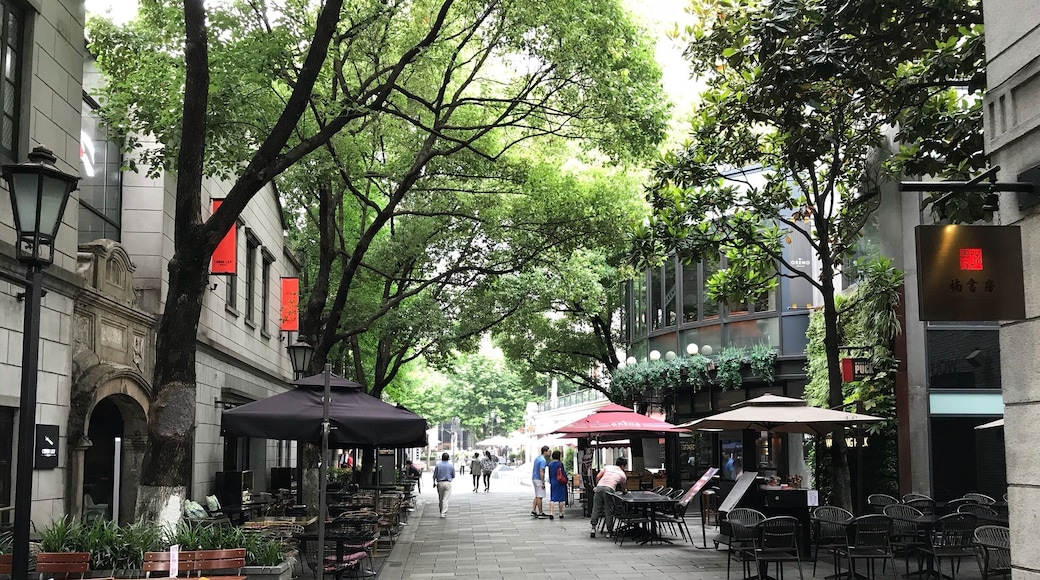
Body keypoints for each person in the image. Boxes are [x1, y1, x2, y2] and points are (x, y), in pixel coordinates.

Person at [590, 456, 628, 538]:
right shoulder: (622, 474)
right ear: (622, 466)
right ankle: (609, 530)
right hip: (609, 489)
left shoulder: (607, 467)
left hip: (599, 487)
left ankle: (593, 528)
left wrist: (597, 485)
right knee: (608, 509)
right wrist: (624, 492)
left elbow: (597, 476)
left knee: (596, 507)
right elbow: (623, 488)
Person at [432, 452, 455, 518]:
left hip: (439, 483)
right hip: (447, 482)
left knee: (440, 498)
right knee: (445, 499)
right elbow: (453, 475)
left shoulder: (438, 465)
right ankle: (443, 512)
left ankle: (441, 510)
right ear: (448, 458)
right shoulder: (451, 465)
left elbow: (434, 475)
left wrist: (433, 483)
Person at [531, 445, 551, 517]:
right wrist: (543, 482)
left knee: (536, 495)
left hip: (534, 478)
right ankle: (540, 512)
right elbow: (541, 471)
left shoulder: (537, 458)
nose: (549, 452)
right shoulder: (543, 460)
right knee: (540, 496)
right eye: (548, 451)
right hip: (539, 479)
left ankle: (533, 510)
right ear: (545, 452)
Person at [547, 450, 568, 520]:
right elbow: (563, 473)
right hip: (560, 482)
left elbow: (550, 474)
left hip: (553, 481)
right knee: (560, 499)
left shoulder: (550, 464)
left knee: (552, 498)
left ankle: (551, 513)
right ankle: (560, 513)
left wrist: (550, 481)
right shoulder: (560, 464)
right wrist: (566, 480)